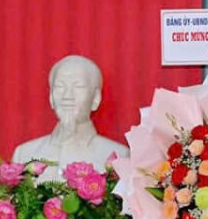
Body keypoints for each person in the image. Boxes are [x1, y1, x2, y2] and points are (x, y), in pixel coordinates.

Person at [11, 54, 125, 182]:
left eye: (78, 87)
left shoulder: (118, 157)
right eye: (60, 87)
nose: (67, 96)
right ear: (51, 97)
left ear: (95, 98)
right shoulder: (24, 154)